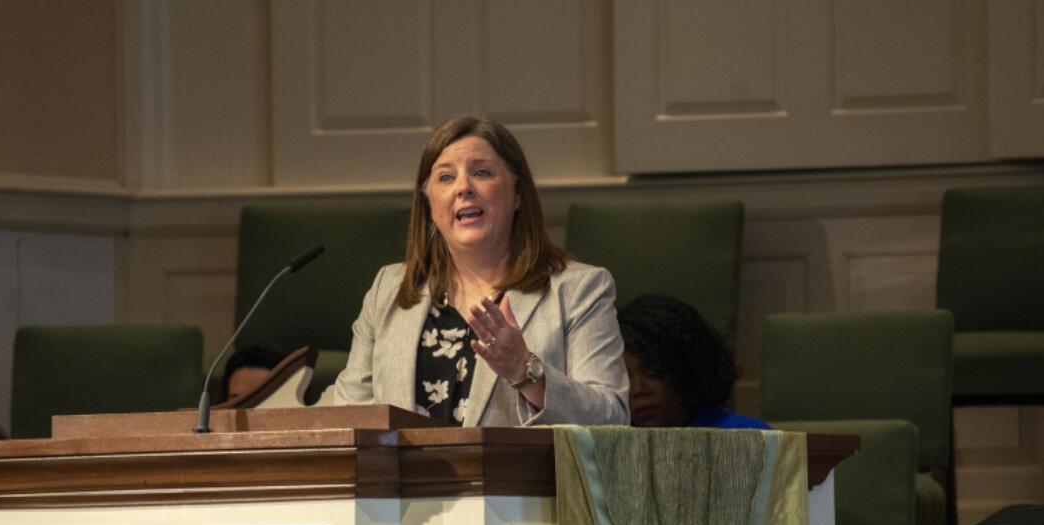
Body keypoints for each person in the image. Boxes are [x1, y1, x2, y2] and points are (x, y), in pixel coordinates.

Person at [328, 116, 629, 426]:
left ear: (517, 194)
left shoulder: (578, 289)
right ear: (430, 204)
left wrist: (525, 372)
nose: (463, 188)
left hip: (517, 475)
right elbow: (350, 413)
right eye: (445, 178)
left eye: (481, 173)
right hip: (400, 476)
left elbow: (612, 418)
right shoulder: (388, 289)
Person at [617, 294, 769, 429]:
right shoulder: (604, 447)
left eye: (652, 371)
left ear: (687, 367)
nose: (637, 390)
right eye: (623, 378)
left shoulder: (747, 437)